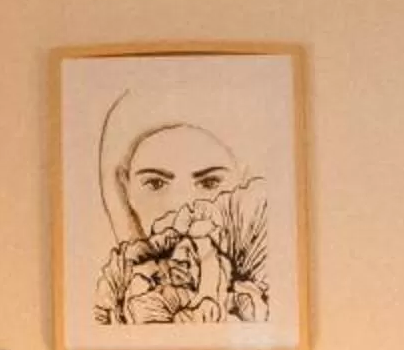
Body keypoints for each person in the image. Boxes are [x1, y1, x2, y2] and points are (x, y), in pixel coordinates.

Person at [93, 90, 272, 327]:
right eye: (155, 183)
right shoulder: (118, 297)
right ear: (125, 189)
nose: (181, 205)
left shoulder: (257, 297)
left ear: (244, 180)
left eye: (209, 183)